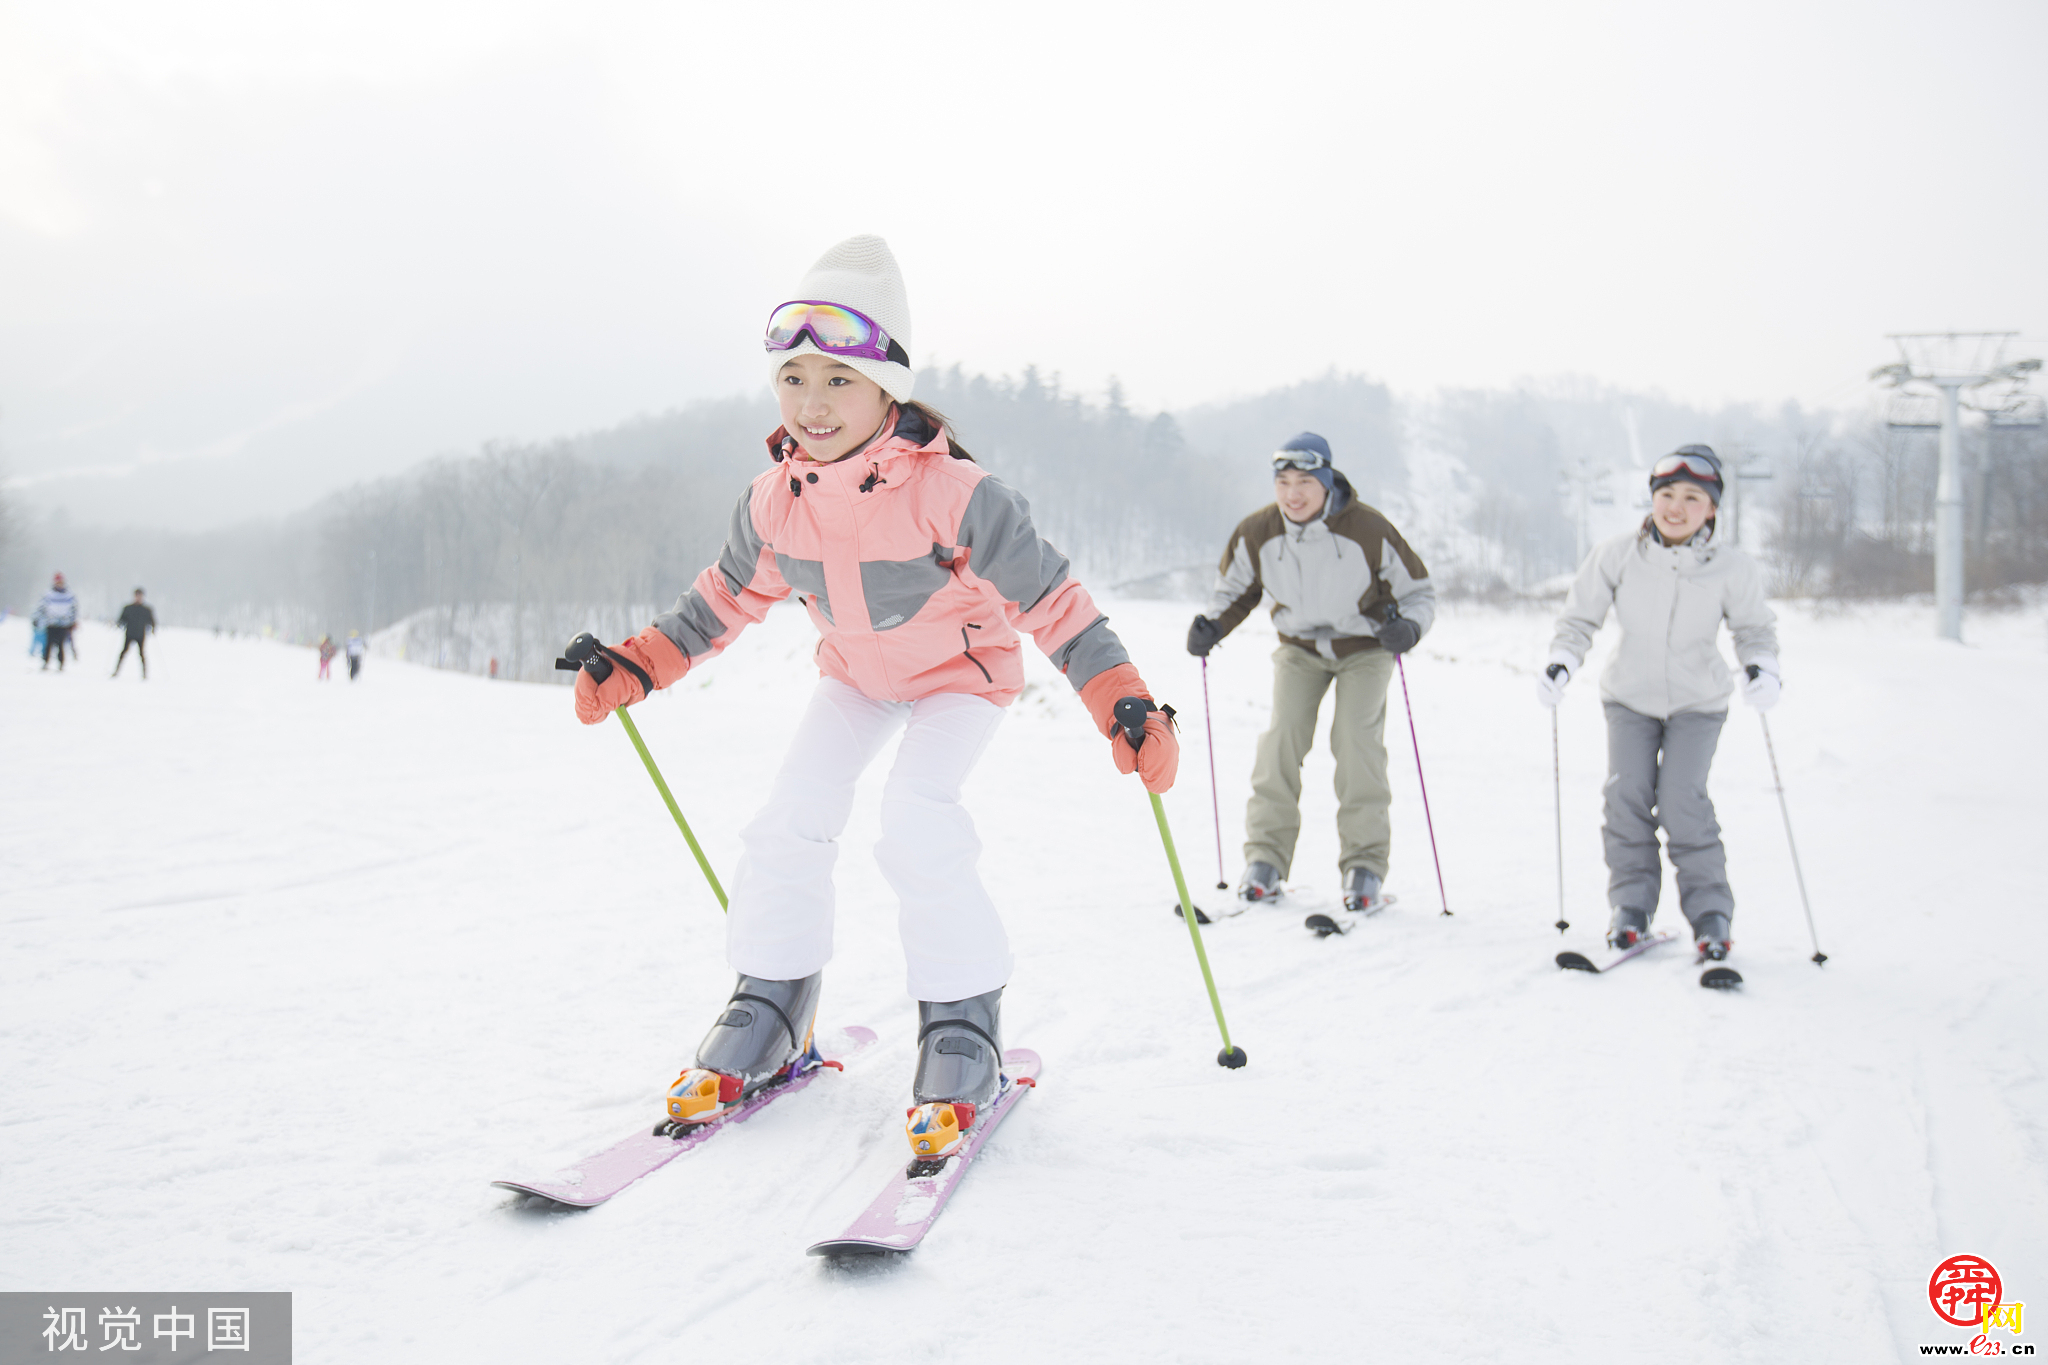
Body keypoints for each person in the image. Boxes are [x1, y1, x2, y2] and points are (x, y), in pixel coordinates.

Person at [571, 235, 1178, 1160]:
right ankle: (772, 1005)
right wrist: (638, 662)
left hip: (960, 679)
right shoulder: (774, 500)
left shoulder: (959, 494)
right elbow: (723, 600)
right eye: (793, 380)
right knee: (788, 819)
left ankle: (962, 1025)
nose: (812, 405)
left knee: (917, 818)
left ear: (888, 385)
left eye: (838, 382)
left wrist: (1123, 700)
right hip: (856, 678)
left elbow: (1053, 602)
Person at [1536, 445, 1779, 962]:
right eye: (1667, 494)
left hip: (1699, 702)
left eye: (1693, 497)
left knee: (1681, 802)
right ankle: (1631, 909)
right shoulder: (1616, 554)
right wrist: (1562, 658)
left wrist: (1762, 668)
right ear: (1652, 500)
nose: (1677, 506)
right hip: (1630, 698)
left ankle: (1711, 916)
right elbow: (1580, 618)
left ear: (1711, 509)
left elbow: (1754, 629)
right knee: (1625, 798)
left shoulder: (1731, 568)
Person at [1186, 434, 1434, 917]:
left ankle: (1364, 868)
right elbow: (1235, 590)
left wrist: (1410, 628)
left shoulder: (1368, 529)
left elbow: (1420, 593)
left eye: (1303, 482)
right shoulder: (1257, 532)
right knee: (1281, 740)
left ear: (1326, 483)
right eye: (1283, 483)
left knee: (1356, 742)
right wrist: (1211, 625)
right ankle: (1264, 862)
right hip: (1298, 649)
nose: (1292, 494)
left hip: (1365, 649)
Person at [36, 573, 78, 671]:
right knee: (48, 644)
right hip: (51, 623)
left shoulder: (69, 595)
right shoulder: (49, 594)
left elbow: (74, 609)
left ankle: (61, 663)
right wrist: (38, 619)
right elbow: (41, 608)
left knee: (61, 645)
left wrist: (72, 621)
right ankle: (45, 661)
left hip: (63, 624)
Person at [113, 588, 155, 679]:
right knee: (123, 652)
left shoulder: (146, 610)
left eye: (140, 596)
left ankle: (144, 674)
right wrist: (118, 625)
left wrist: (153, 629)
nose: (138, 598)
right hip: (129, 634)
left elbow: (151, 621)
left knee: (142, 654)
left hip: (140, 635)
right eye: (137, 596)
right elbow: (122, 620)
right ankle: (116, 672)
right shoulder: (128, 608)